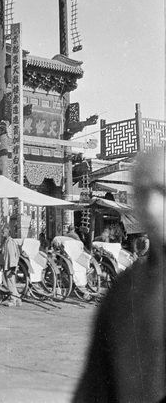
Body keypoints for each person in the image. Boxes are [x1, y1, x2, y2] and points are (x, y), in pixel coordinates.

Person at [74, 147, 165, 402]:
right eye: (144, 193)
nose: (152, 205)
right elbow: (95, 385)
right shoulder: (125, 289)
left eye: (162, 190)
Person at [1, 227, 21, 307]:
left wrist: (12, 267)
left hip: (10, 266)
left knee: (10, 283)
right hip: (8, 265)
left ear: (7, 233)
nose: (2, 233)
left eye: (4, 232)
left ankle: (13, 300)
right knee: (12, 283)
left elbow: (11, 255)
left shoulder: (10, 242)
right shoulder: (7, 241)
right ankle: (18, 299)